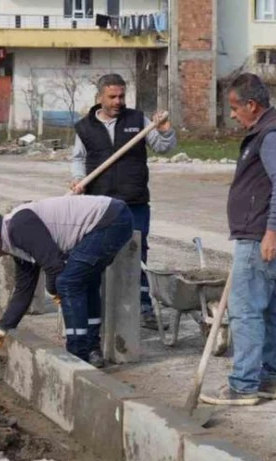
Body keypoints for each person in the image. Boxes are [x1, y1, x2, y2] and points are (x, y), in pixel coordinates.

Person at [201, 73, 276, 406]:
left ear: (252, 105)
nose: (232, 114)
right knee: (270, 310)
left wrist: (271, 231)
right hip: (262, 237)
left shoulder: (271, 135)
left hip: (260, 239)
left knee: (245, 312)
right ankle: (272, 380)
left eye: (234, 107)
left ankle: (243, 385)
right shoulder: (269, 131)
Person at [0, 195, 134, 368]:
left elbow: (54, 266)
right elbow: (24, 290)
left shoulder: (19, 227)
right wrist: (2, 328)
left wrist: (54, 290)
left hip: (109, 220)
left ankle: (77, 357)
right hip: (109, 218)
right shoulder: (16, 243)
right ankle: (92, 350)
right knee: (83, 280)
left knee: (68, 283)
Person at [70, 73, 176, 330]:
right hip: (100, 204)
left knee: (136, 253)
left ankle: (143, 307)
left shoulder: (137, 120)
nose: (118, 101)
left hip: (134, 201)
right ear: (100, 97)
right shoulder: (85, 127)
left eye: (121, 96)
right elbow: (78, 158)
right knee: (100, 254)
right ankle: (104, 307)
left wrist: (165, 130)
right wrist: (78, 179)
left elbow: (164, 148)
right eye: (112, 96)